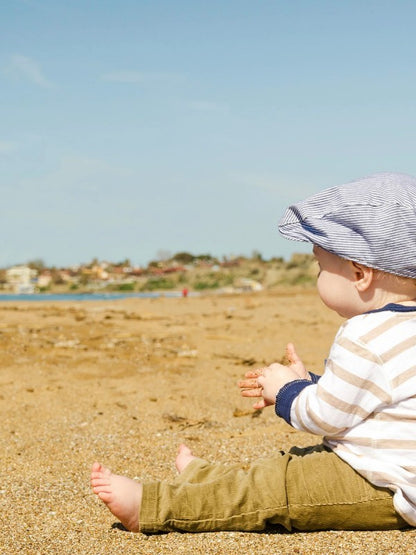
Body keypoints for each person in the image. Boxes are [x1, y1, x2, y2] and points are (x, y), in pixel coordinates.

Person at [91, 171, 416, 533]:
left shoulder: (365, 333)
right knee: (288, 468)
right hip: (391, 468)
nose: (318, 276)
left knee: (278, 488)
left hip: (385, 484)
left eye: (321, 266)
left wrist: (287, 392)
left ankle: (154, 506)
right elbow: (375, 398)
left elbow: (326, 417)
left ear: (359, 274)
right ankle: (207, 477)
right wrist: (309, 382)